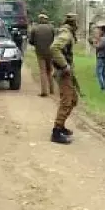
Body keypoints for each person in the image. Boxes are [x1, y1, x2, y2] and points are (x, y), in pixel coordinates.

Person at [49, 13, 79, 144]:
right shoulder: (66, 34)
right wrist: (64, 65)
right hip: (63, 73)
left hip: (66, 72)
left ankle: (61, 126)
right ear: (74, 23)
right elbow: (54, 48)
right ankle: (56, 132)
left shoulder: (67, 32)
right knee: (67, 101)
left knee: (73, 100)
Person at [29, 13, 55, 97]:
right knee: (49, 71)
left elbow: (31, 41)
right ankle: (52, 89)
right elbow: (55, 39)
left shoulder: (35, 28)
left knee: (42, 71)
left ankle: (44, 91)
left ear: (39, 19)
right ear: (46, 19)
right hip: (50, 52)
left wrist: (37, 44)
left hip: (40, 52)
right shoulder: (51, 28)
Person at [88, 25, 105, 91]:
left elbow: (98, 46)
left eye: (100, 30)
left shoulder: (104, 39)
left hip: (101, 57)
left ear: (103, 31)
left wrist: (92, 43)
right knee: (104, 74)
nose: (99, 32)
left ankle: (103, 88)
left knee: (99, 73)